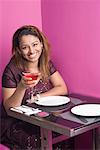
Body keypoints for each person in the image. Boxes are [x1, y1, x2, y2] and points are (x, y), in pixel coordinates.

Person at [1, 25, 70, 149]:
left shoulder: (45, 63)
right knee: (39, 142)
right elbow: (9, 108)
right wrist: (22, 87)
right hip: (17, 123)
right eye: (25, 47)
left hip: (40, 118)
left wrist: (38, 97)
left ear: (42, 44)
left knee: (62, 136)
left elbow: (62, 88)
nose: (32, 51)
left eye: (35, 44)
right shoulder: (11, 70)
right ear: (19, 50)